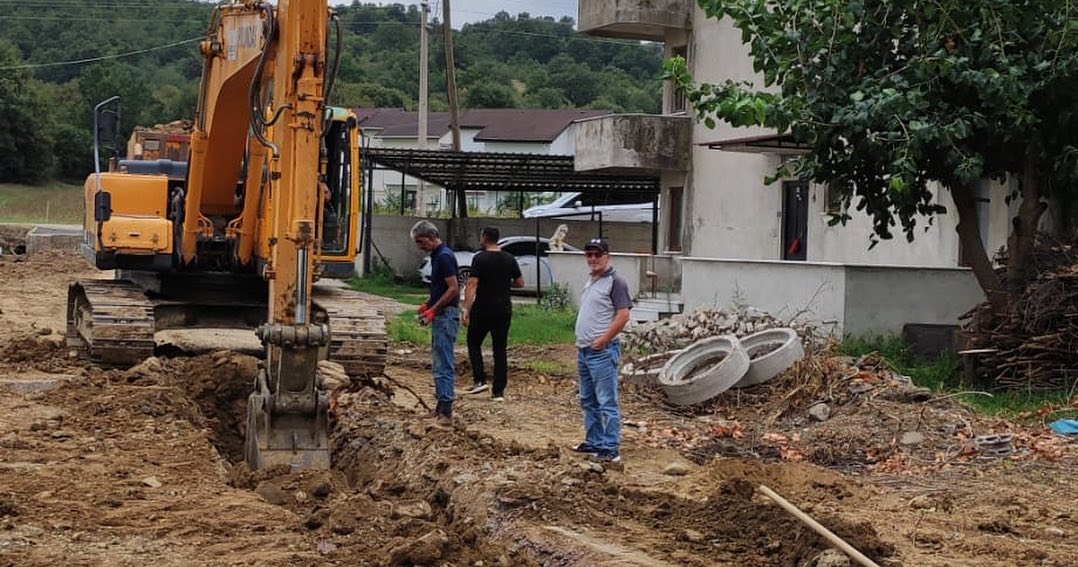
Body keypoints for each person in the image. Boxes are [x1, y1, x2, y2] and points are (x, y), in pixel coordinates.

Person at [573, 237, 632, 463]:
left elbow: (624, 314)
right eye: (589, 255)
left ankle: (610, 447)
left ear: (607, 256)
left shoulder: (615, 282)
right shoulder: (592, 280)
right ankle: (595, 441)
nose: (593, 259)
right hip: (585, 350)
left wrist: (604, 339)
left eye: (598, 255)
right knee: (588, 399)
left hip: (601, 352)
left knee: (606, 400)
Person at [461, 226, 523, 401]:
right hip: (503, 310)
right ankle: (498, 392)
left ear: (484, 238)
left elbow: (472, 284)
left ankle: (480, 380)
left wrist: (466, 308)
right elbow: (520, 282)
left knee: (473, 342)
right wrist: (503, 283)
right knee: (499, 349)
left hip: (483, 309)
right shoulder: (509, 258)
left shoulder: (480, 258)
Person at [411, 220, 460, 430]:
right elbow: (442, 289)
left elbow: (453, 289)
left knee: (443, 365)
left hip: (446, 316)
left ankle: (446, 413)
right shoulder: (438, 256)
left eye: (421, 242)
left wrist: (434, 309)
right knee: (438, 363)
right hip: (442, 314)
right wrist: (428, 304)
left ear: (432, 237)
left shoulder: (444, 257)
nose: (420, 246)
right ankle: (440, 408)